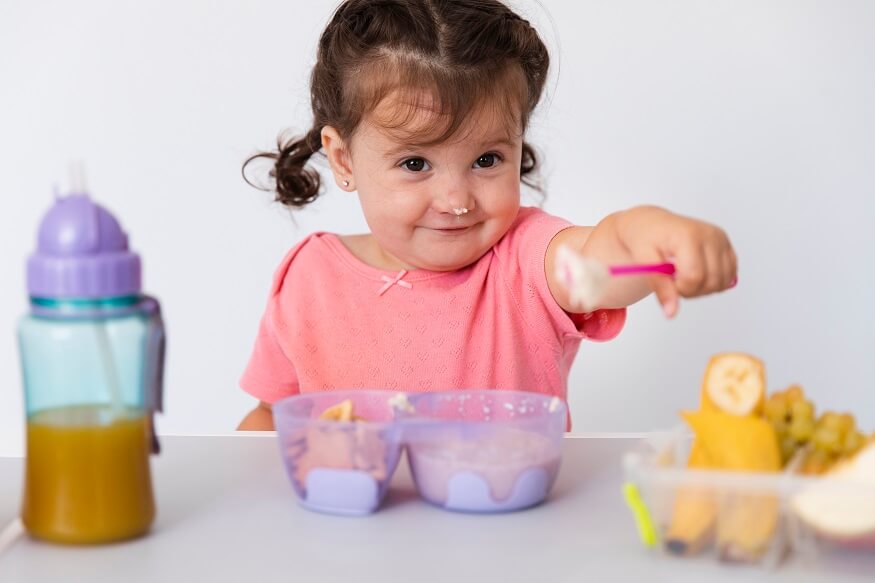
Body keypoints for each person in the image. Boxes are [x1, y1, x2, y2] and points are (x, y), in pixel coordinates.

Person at [237, 0, 737, 430]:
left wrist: (647, 231)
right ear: (344, 159)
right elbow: (270, 415)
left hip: (511, 538)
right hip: (344, 537)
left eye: (486, 160)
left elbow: (599, 259)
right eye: (415, 163)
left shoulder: (526, 260)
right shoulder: (309, 279)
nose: (457, 200)